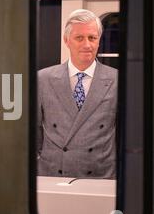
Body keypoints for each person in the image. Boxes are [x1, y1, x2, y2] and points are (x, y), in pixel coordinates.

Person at [36, 9, 118, 178]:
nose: (87, 45)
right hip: (53, 176)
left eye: (92, 38)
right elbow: (33, 132)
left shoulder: (117, 80)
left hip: (101, 177)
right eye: (79, 38)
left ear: (99, 41)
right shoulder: (43, 78)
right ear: (67, 40)